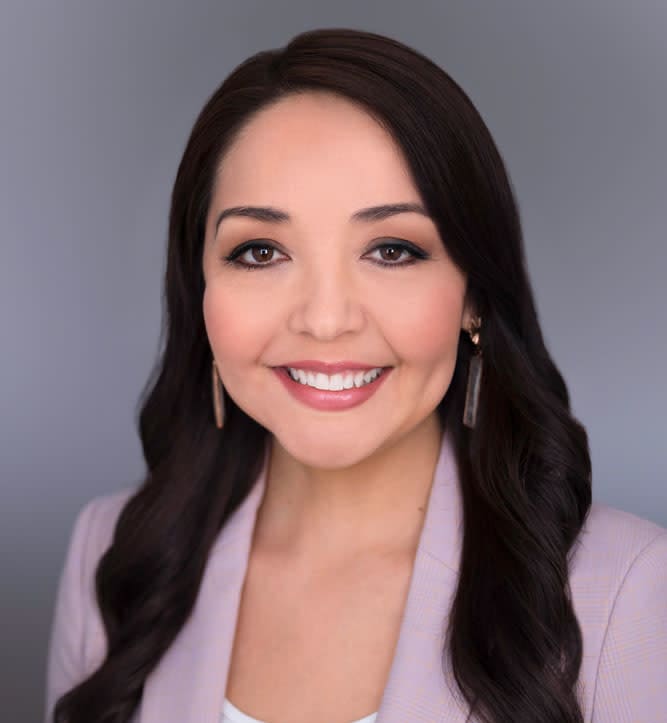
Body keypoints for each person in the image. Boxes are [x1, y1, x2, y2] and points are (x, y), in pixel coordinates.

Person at [45, 27, 667, 723]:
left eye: (391, 250)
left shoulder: (625, 593)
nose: (325, 320)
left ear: (474, 296)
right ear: (200, 291)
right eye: (260, 252)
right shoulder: (114, 553)